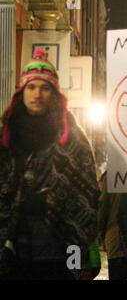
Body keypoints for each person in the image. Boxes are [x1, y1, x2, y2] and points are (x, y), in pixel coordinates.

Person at [0, 49, 99, 280]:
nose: (37, 94)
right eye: (31, 87)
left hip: (58, 253)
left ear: (54, 94)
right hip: (12, 250)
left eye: (45, 88)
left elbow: (87, 196)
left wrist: (49, 201)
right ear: (22, 92)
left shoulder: (72, 138)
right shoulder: (6, 136)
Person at [98, 172, 127, 280]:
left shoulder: (111, 176)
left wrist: (99, 233)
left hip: (116, 237)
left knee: (118, 272)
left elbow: (103, 209)